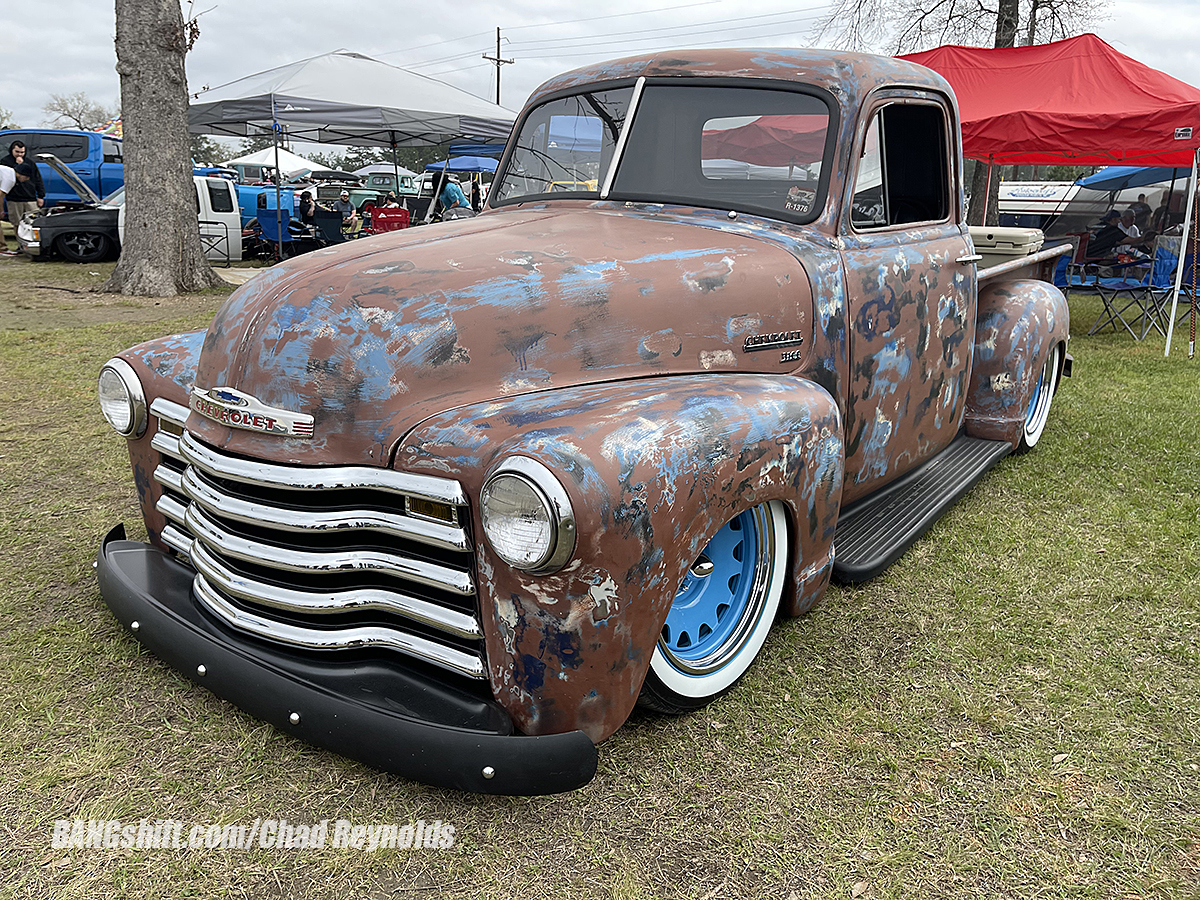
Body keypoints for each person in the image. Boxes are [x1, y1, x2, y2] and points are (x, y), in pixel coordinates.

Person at [0, 162, 33, 252]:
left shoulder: (7, 171)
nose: (27, 179)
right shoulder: (10, 179)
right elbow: (0, 195)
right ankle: (2, 249)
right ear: (22, 174)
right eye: (27, 177)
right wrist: (1, 211)